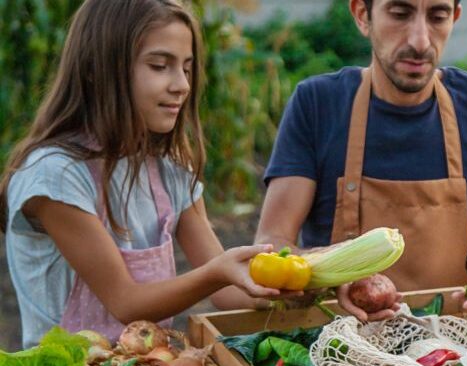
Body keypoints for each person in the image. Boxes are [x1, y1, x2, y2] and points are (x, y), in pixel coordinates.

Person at [0, 0, 290, 348]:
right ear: (97, 68)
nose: (181, 84)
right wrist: (217, 272)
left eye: (186, 68)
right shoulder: (55, 175)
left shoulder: (169, 168)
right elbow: (126, 301)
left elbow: (229, 291)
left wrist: (295, 286)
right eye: (159, 66)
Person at [255, 0, 467, 321]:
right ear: (362, 15)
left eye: (437, 16)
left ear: (454, 18)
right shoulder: (317, 104)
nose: (420, 41)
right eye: (400, 14)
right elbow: (273, 244)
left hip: (458, 347)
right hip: (341, 342)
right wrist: (325, 278)